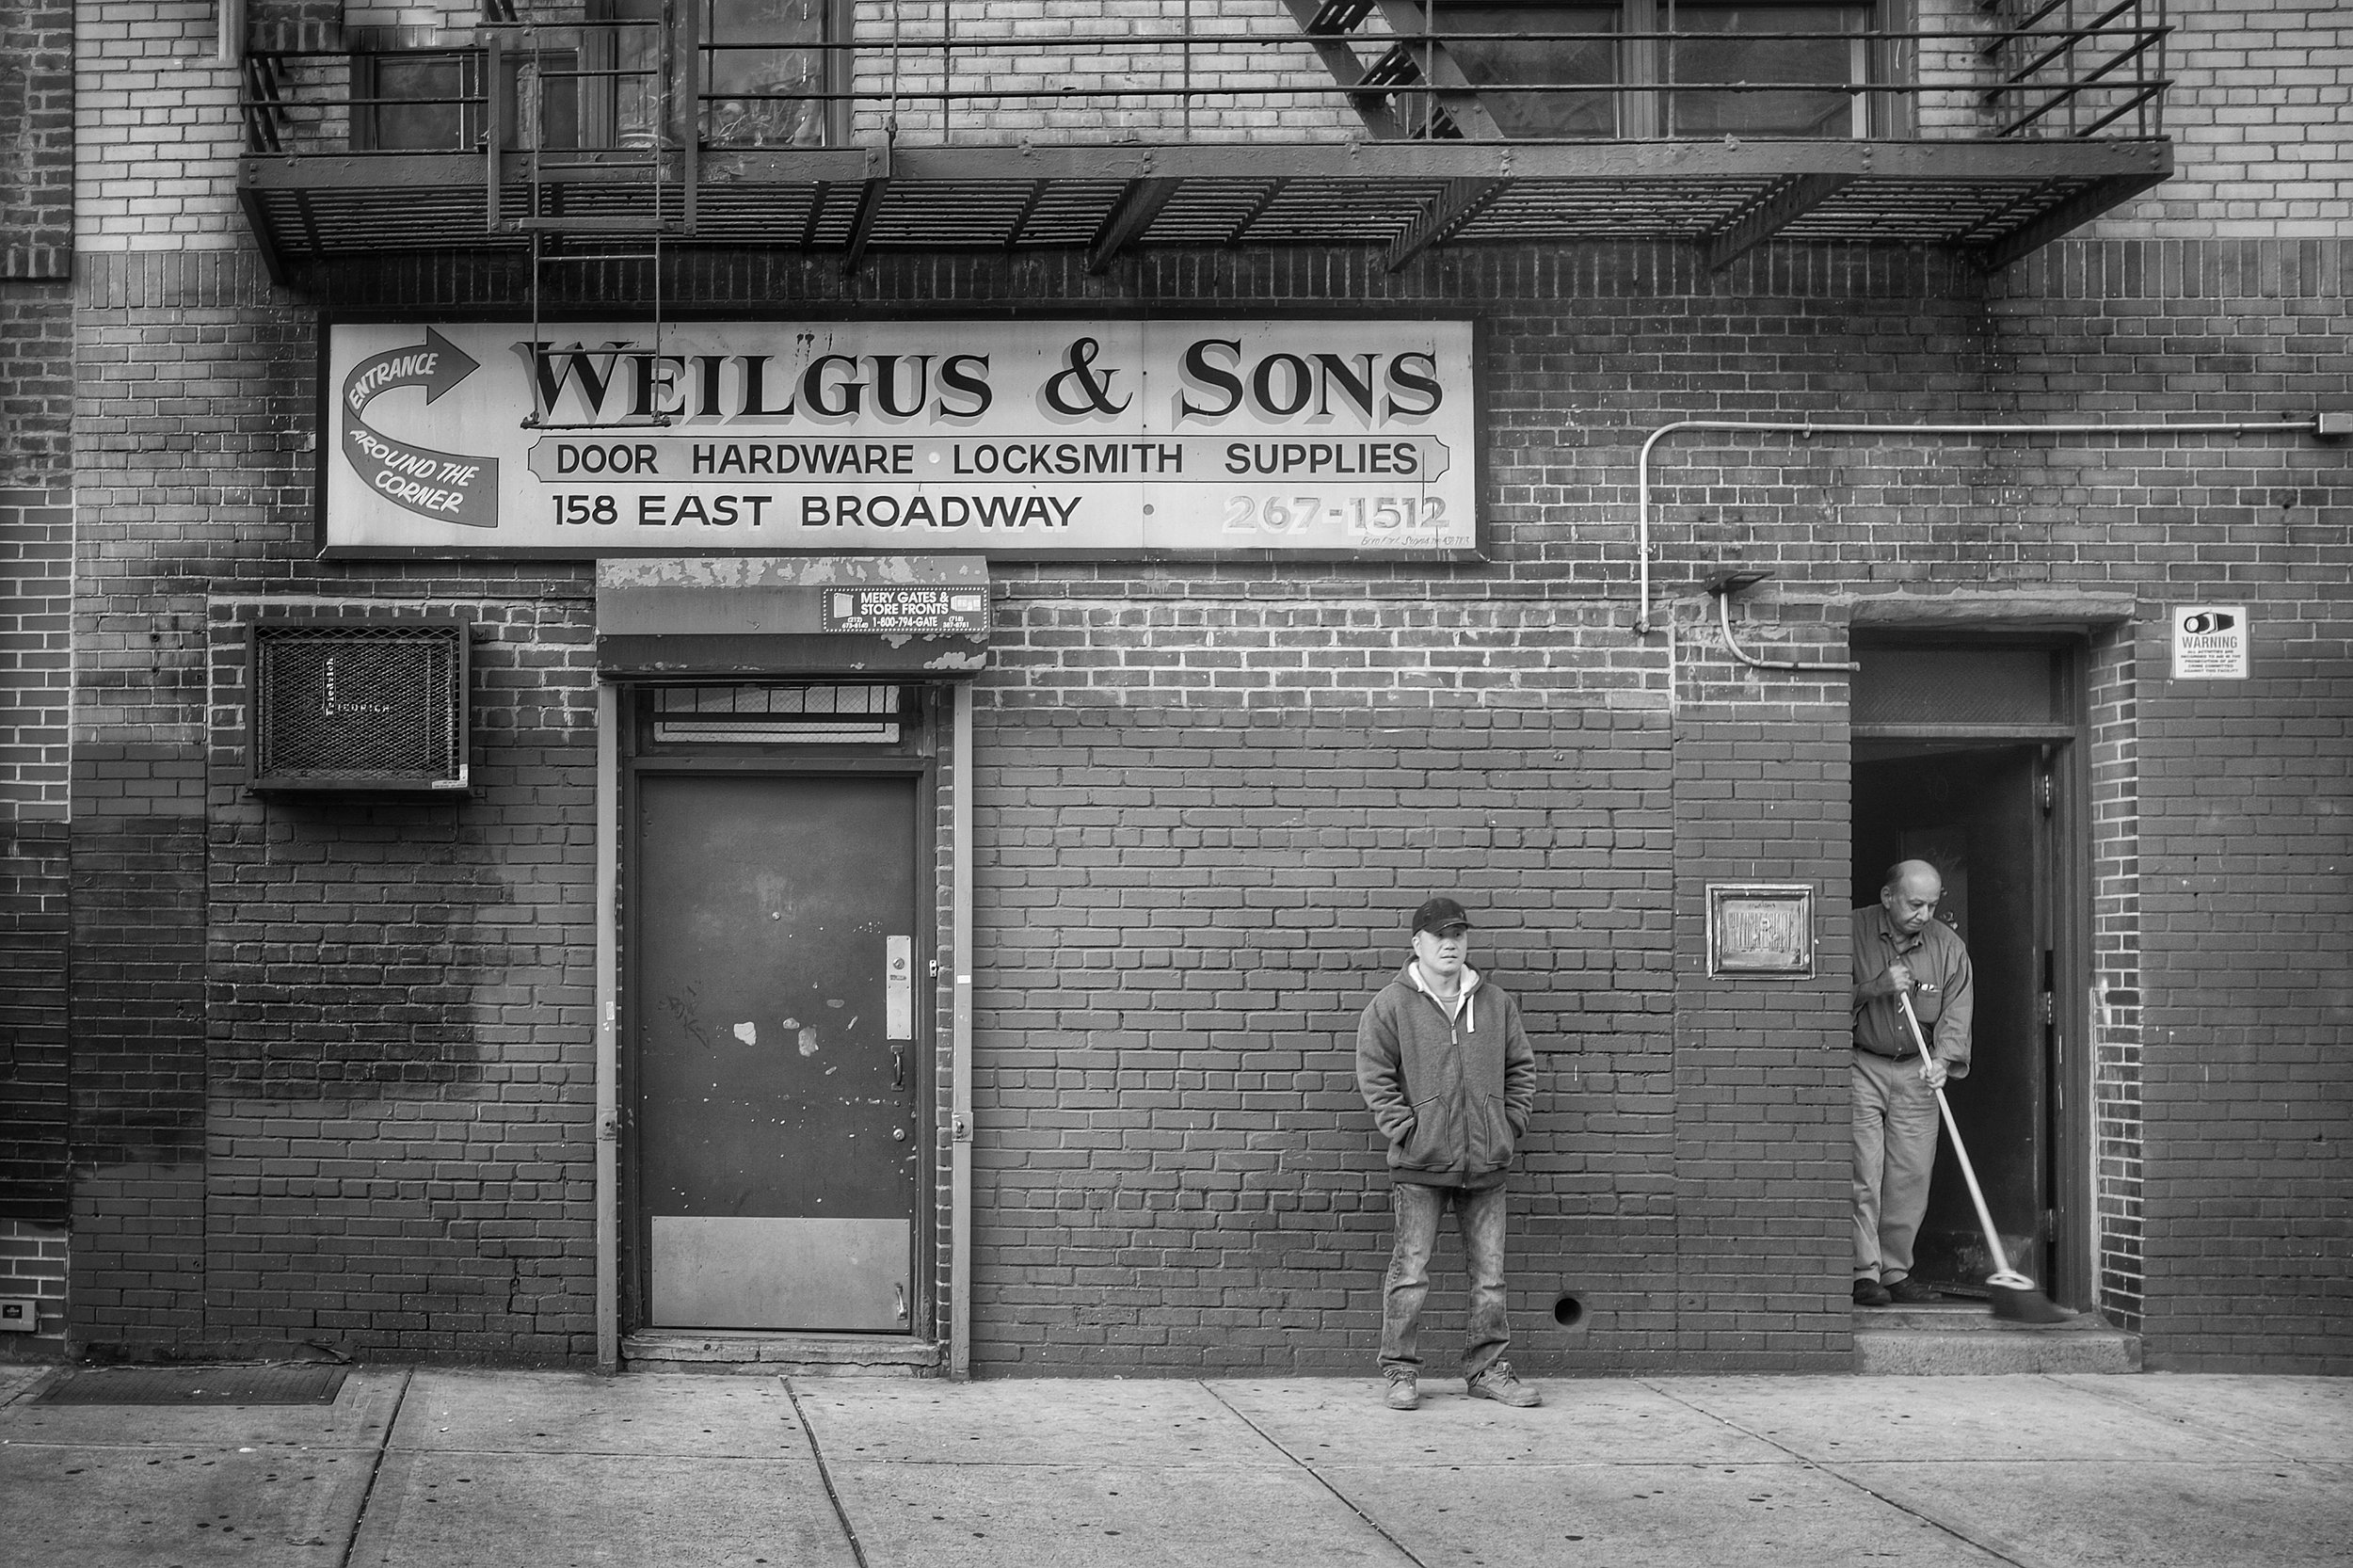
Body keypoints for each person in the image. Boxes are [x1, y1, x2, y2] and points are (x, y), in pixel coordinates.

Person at [1355, 896, 1541, 1410]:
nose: (1451, 942)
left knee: (1490, 1276)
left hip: (1486, 1163)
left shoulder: (1495, 1003)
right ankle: (1400, 1371)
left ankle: (1486, 1370)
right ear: (1418, 943)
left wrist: (1507, 1125)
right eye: (1440, 935)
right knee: (1410, 1272)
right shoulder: (1391, 1005)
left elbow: (1521, 1069)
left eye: (1458, 934)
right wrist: (1407, 1130)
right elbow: (1374, 1074)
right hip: (1420, 1164)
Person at [1850, 859, 1975, 1307]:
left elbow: (1957, 1016)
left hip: (1918, 1074)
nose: (1925, 914)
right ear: (1888, 898)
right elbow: (1819, 997)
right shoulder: (1852, 931)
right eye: (1915, 904)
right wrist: (1874, 987)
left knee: (1910, 1176)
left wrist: (1943, 1060)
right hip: (1863, 1064)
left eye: (1932, 904)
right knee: (1864, 1173)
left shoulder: (1948, 948)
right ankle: (1863, 1274)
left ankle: (1895, 1269)